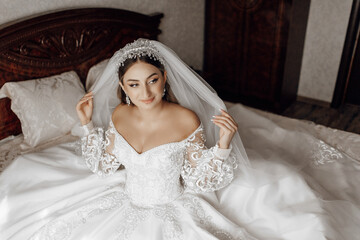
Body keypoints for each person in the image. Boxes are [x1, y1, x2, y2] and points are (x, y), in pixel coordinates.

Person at [1, 39, 359, 240]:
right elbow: (106, 165)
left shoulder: (184, 118)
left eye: (153, 80)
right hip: (121, 202)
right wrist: (87, 127)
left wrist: (221, 146)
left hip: (174, 208)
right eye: (134, 84)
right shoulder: (118, 115)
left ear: (166, 78)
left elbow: (201, 179)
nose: (146, 92)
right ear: (122, 88)